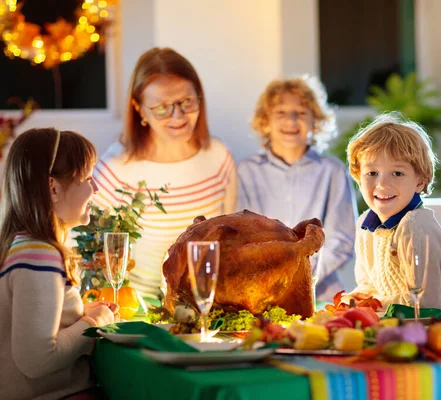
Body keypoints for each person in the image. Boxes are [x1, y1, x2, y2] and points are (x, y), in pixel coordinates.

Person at [93, 48, 237, 301]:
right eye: (161, 107)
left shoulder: (218, 156)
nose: (178, 116)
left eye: (186, 102)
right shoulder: (117, 168)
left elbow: (231, 239)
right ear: (139, 110)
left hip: (208, 302)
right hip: (139, 310)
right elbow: (93, 251)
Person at [0, 128, 116, 399]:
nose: (95, 188)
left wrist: (78, 314)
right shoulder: (39, 255)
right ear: (53, 187)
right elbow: (37, 360)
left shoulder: (24, 247)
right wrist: (95, 321)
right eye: (87, 178)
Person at [237, 77, 357, 302]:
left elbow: (342, 239)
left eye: (301, 113)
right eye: (280, 113)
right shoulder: (246, 171)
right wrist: (273, 274)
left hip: (321, 291)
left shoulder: (333, 171)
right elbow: (243, 236)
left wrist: (303, 274)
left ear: (315, 122)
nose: (291, 120)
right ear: (265, 122)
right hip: (263, 289)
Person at [343, 114, 441, 311]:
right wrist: (357, 298)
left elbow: (423, 302)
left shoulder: (416, 227)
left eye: (397, 173)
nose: (382, 184)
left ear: (420, 181)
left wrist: (373, 304)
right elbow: (370, 286)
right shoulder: (365, 225)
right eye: (372, 173)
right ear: (358, 177)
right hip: (404, 325)